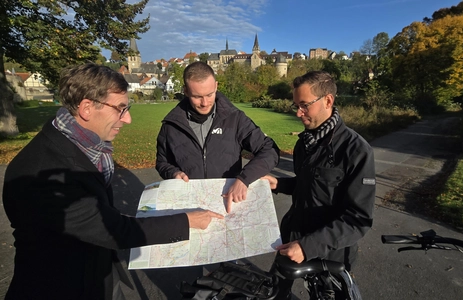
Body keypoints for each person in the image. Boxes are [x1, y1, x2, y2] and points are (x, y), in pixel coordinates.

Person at [2, 63, 223, 300]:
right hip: (63, 287)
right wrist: (187, 221)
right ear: (87, 108)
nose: (127, 119)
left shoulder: (85, 146)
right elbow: (112, 229)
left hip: (100, 273)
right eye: (120, 108)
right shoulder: (47, 173)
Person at [263, 71, 376, 299]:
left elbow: (358, 218)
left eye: (304, 105)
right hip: (293, 237)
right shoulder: (304, 143)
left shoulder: (356, 150)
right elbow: (309, 186)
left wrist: (308, 246)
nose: (298, 113)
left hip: (330, 253)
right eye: (296, 105)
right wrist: (279, 184)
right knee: (272, 293)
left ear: (328, 100)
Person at [156, 61, 279, 213]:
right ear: (186, 91)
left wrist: (244, 179)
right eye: (197, 96)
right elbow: (162, 162)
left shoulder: (235, 119)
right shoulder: (171, 125)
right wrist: (173, 173)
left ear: (216, 86)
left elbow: (269, 150)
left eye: (209, 94)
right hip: (190, 207)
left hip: (229, 204)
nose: (205, 103)